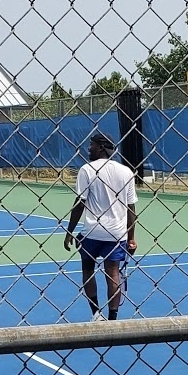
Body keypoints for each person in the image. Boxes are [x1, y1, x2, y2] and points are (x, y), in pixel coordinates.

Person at [64, 132, 138, 321]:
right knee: (113, 272)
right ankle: (112, 318)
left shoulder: (86, 170)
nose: (89, 149)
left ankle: (96, 313)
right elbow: (131, 209)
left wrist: (69, 231)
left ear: (102, 147)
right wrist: (131, 237)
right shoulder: (126, 172)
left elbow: (79, 203)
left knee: (88, 269)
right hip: (117, 234)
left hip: (92, 232)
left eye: (92, 145)